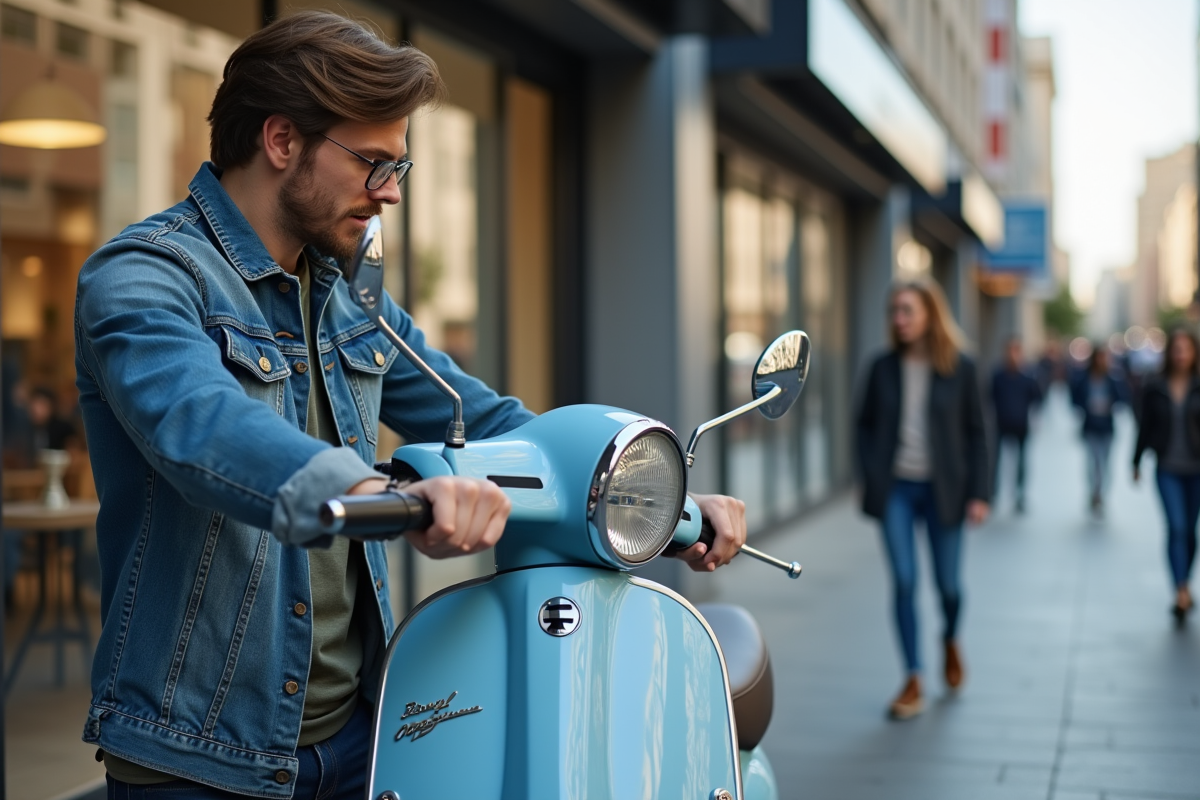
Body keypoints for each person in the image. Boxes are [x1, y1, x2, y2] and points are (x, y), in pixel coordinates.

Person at [73, 13, 747, 799]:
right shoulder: (144, 276)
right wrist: (374, 492)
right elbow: (202, 429)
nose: (390, 192)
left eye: (401, 167)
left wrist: (654, 498)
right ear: (282, 141)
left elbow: (484, 417)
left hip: (366, 732)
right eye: (372, 163)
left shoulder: (349, 300)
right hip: (198, 757)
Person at [855, 278, 990, 720]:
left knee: (949, 586)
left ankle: (950, 637)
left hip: (945, 491)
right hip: (897, 488)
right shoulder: (881, 367)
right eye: (894, 310)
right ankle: (913, 676)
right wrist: (870, 473)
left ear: (930, 314)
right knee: (906, 581)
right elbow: (864, 424)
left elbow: (978, 433)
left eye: (907, 310)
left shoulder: (961, 367)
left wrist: (980, 494)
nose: (899, 318)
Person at [1133, 327, 1200, 624]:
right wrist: (1135, 461)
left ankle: (1184, 578)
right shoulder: (1155, 386)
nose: (1181, 354)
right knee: (1176, 526)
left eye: (1186, 349)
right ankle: (1180, 590)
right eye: (1177, 349)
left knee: (1190, 531)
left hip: (1197, 470)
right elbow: (1144, 426)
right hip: (1167, 468)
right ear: (1169, 353)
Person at [1070, 346, 1128, 515]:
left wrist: (1110, 405)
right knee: (1093, 462)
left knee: (1105, 463)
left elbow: (1122, 399)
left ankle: (1101, 493)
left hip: (1107, 427)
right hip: (1090, 427)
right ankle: (1094, 492)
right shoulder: (1084, 378)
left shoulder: (1113, 378)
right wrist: (1085, 407)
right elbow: (1075, 398)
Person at [991, 337, 1043, 513]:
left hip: (1021, 425)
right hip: (1001, 424)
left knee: (1021, 462)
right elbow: (988, 398)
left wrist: (1035, 421)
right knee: (996, 461)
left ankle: (1020, 494)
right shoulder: (998, 376)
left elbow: (1037, 399)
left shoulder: (1027, 377)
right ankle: (993, 493)